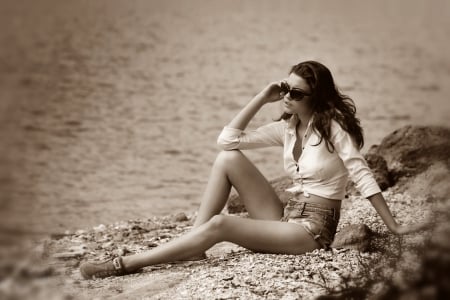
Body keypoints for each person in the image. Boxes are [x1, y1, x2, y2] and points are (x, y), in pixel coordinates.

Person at [80, 60, 427, 279]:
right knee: (227, 160)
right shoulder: (288, 127)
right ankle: (194, 244)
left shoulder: (334, 129)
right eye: (285, 88)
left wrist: (393, 225)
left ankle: (125, 264)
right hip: (286, 217)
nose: (287, 96)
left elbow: (363, 174)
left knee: (222, 224)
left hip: (312, 230)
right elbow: (226, 141)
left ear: (316, 98)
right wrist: (262, 97)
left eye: (296, 92)